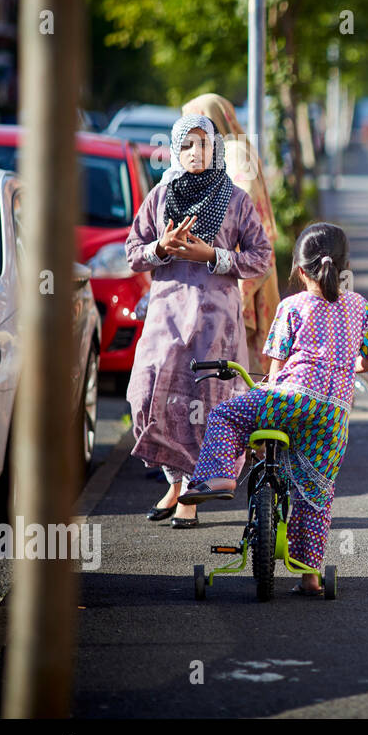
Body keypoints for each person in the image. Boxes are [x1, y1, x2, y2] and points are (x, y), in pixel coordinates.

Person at [180, 223, 368, 595]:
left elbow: (275, 373)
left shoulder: (292, 306)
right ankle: (309, 577)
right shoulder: (359, 306)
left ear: (300, 270)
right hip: (333, 416)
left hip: (291, 397)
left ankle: (220, 477)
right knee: (315, 493)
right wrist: (344, 367)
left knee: (227, 414)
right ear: (344, 268)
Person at [126, 114, 274, 528]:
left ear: (216, 149)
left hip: (215, 319)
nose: (196, 153)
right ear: (174, 149)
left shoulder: (235, 198)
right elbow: (133, 251)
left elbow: (261, 256)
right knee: (147, 396)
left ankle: (190, 491)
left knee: (205, 406)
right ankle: (174, 481)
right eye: (187, 145)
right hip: (166, 316)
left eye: (203, 144)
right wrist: (161, 246)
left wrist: (211, 256)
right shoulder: (159, 195)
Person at [181, 93, 281, 377]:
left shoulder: (234, 150)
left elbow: (244, 201)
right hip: (239, 256)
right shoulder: (234, 146)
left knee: (240, 348)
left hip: (241, 255)